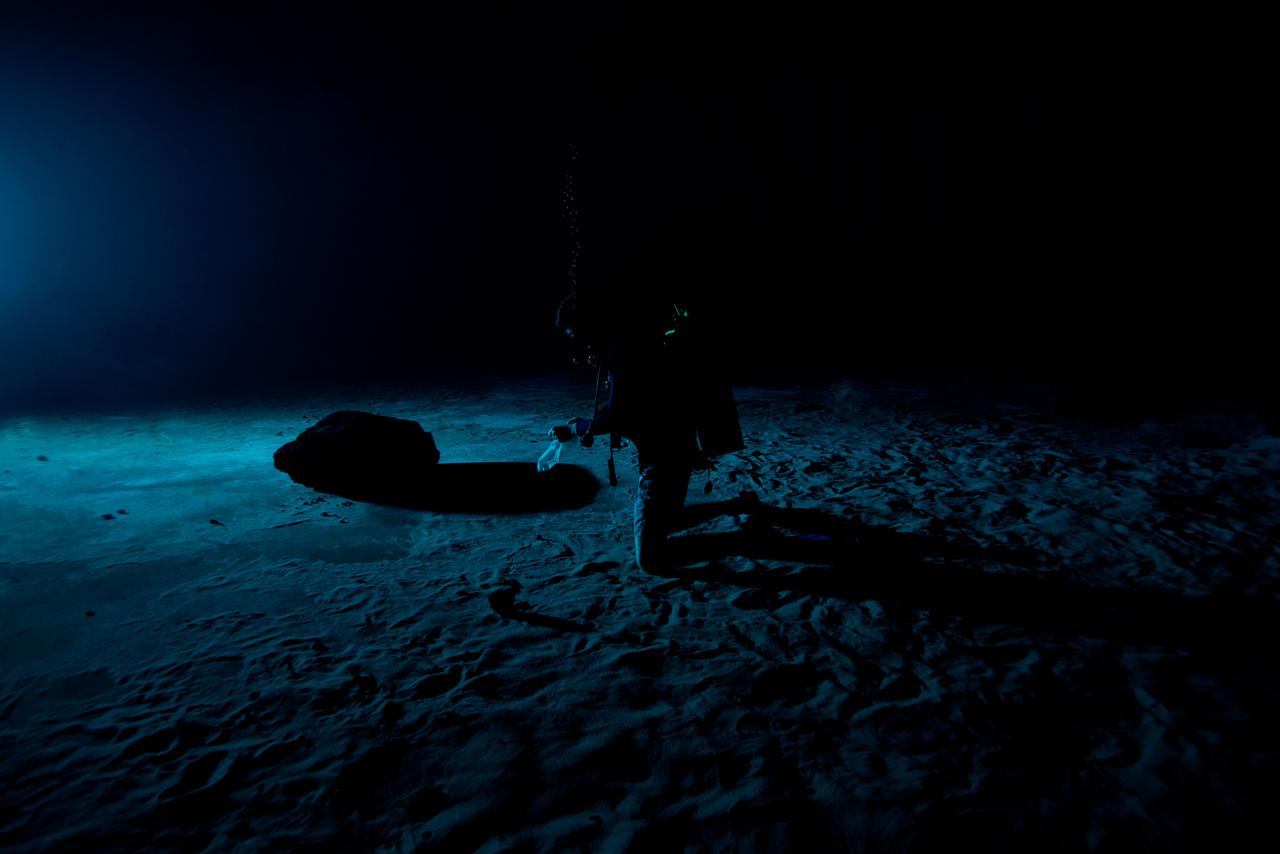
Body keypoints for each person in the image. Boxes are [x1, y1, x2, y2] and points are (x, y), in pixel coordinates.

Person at [549, 287, 744, 573]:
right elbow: (630, 404)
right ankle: (735, 507)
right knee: (669, 519)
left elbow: (620, 413)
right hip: (677, 449)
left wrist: (578, 427)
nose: (579, 345)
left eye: (575, 335)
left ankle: (745, 540)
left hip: (664, 459)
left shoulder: (623, 350)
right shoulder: (631, 342)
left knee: (650, 560)